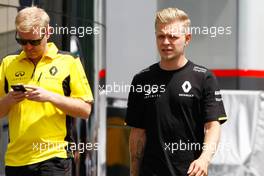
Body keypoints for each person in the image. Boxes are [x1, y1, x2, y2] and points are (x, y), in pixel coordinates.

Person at [126, 7, 227, 176]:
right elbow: (138, 133)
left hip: (189, 172)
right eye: (161, 36)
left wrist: (204, 159)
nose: (166, 42)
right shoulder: (141, 80)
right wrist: (134, 172)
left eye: (172, 37)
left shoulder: (203, 78)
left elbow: (212, 127)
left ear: (187, 39)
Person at [0, 6, 93, 176]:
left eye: (34, 41)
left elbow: (85, 110)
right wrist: (10, 99)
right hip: (16, 160)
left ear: (48, 32)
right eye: (22, 41)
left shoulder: (69, 61)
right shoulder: (7, 63)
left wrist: (50, 97)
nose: (28, 47)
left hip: (54, 158)